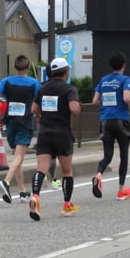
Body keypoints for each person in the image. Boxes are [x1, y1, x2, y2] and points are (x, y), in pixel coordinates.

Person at [29, 57, 82, 221]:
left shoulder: (43, 88)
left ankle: (36, 196)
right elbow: (74, 109)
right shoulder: (69, 89)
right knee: (67, 171)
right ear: (66, 72)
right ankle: (67, 205)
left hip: (45, 133)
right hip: (62, 134)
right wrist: (77, 107)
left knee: (41, 169)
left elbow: (33, 109)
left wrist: (41, 115)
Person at [0, 55, 41, 204]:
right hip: (25, 121)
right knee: (20, 156)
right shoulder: (34, 83)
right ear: (27, 68)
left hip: (10, 121)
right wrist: (39, 115)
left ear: (14, 67)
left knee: (16, 155)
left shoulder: (6, 81)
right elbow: (39, 102)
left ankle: (22, 191)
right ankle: (6, 182)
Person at [91, 51, 130, 200]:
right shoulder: (125, 79)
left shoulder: (103, 80)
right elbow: (126, 98)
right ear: (124, 65)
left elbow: (95, 101)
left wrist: (108, 103)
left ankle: (98, 174)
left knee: (108, 155)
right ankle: (121, 190)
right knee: (124, 155)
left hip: (105, 120)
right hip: (121, 120)